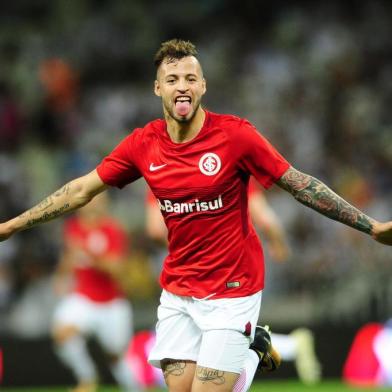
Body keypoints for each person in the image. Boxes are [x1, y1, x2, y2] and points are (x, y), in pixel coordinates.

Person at [0, 39, 392, 392]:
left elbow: (300, 184)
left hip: (233, 289)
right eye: (171, 79)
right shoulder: (143, 144)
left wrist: (371, 226)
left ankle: (250, 348)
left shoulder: (236, 136)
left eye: (190, 77)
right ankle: (255, 348)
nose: (182, 85)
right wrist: (13, 225)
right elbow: (81, 190)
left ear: (203, 86)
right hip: (179, 290)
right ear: (158, 89)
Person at [146, 179, 321, 385]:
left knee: (210, 367)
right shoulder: (230, 169)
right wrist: (278, 244)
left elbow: (156, 230)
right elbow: (264, 218)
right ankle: (270, 346)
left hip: (191, 280)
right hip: (232, 272)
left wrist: (187, 248)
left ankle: (264, 348)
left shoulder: (162, 173)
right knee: (215, 361)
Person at [51, 193, 139, 392]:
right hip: (84, 297)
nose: (93, 204)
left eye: (99, 200)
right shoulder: (73, 227)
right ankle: (87, 379)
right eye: (91, 199)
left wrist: (90, 253)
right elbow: (70, 257)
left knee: (116, 355)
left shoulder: (113, 230)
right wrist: (62, 276)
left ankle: (135, 388)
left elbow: (117, 269)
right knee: (62, 332)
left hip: (111, 302)